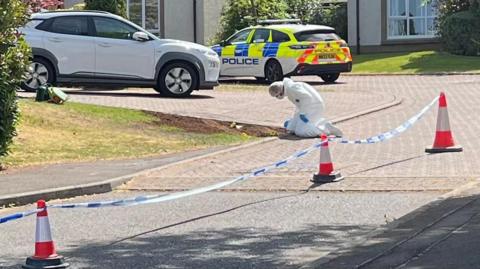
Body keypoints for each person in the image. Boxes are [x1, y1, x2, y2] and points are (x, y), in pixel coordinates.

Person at [269, 78, 343, 138]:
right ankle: (316, 125)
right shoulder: (290, 90)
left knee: (301, 132)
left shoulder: (292, 88)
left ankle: (325, 129)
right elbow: (300, 104)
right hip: (307, 108)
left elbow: (307, 97)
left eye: (276, 95)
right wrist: (294, 119)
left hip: (315, 108)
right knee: (291, 129)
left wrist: (302, 113)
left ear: (280, 93)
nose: (277, 97)